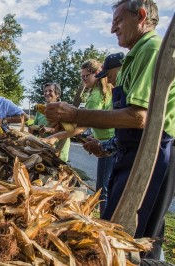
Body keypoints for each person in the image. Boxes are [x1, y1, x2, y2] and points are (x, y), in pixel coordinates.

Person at [44, 0, 175, 259]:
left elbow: (139, 118)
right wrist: (72, 122)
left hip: (151, 157)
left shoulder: (151, 49)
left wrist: (76, 114)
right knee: (112, 227)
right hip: (130, 153)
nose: (112, 28)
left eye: (117, 21)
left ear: (140, 16)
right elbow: (121, 119)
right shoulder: (135, 56)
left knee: (133, 242)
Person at [44, 60, 115, 215]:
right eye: (81, 77)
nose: (83, 80)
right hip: (106, 141)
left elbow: (81, 127)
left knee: (103, 190)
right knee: (108, 187)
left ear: (96, 74)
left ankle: (106, 221)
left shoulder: (96, 96)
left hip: (107, 144)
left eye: (86, 76)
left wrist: (57, 136)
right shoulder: (102, 91)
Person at [28, 83, 70, 162]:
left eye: (50, 91)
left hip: (58, 151)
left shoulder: (64, 109)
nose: (47, 93)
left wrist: (50, 129)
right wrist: (33, 129)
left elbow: (69, 130)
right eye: (45, 91)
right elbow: (35, 126)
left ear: (57, 94)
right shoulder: (40, 111)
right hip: (43, 149)